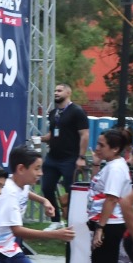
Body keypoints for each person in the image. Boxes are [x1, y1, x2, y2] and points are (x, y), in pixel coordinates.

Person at [83, 128, 133, 263]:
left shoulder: (116, 168)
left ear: (115, 149)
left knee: (103, 262)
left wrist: (100, 228)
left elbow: (111, 198)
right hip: (108, 222)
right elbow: (96, 186)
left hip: (110, 223)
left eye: (101, 145)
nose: (97, 148)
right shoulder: (112, 165)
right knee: (105, 262)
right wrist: (96, 163)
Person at [41, 83, 89, 223]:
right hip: (52, 158)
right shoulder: (53, 113)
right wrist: (40, 139)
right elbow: (52, 134)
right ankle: (55, 222)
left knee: (72, 192)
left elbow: (84, 135)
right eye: (55, 90)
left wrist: (81, 157)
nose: (56, 93)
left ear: (68, 92)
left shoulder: (77, 111)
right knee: (46, 188)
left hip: (70, 158)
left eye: (60, 90)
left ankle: (73, 222)